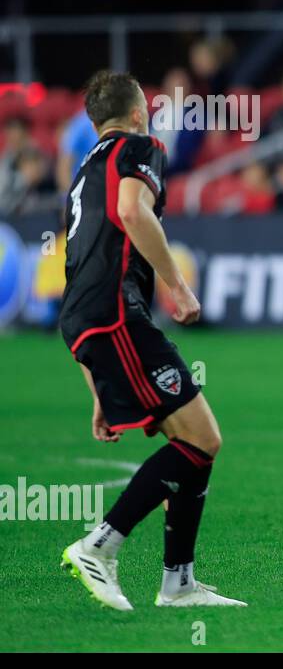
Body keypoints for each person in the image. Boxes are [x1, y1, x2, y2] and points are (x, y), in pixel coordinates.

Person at [58, 70, 245, 610]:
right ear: (138, 113)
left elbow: (79, 269)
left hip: (93, 321)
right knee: (200, 440)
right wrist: (178, 286)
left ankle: (179, 583)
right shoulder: (140, 147)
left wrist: (97, 385)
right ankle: (100, 545)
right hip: (118, 315)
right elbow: (132, 212)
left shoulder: (83, 172)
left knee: (198, 444)